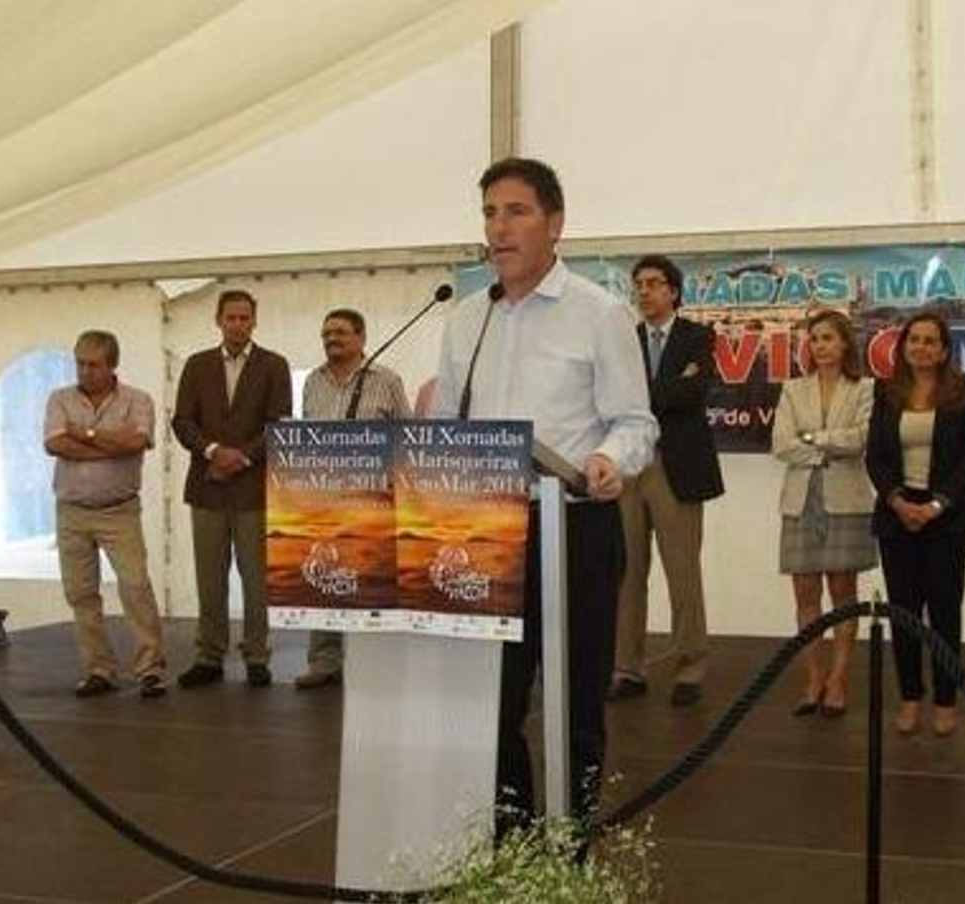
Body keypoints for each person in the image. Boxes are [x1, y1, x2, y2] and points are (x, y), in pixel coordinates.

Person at [432, 158, 656, 830]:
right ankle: (510, 846)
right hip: (484, 538)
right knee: (490, 708)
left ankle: (570, 853)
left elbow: (635, 423)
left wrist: (607, 459)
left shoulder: (600, 314)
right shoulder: (467, 319)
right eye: (489, 213)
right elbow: (446, 425)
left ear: (555, 224)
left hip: (573, 530)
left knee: (570, 706)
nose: (498, 228)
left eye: (516, 211)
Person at [865, 311, 965, 738]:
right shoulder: (885, 392)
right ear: (903, 348)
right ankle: (910, 697)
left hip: (948, 516)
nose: (920, 347)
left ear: (944, 350)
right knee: (903, 612)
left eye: (929, 341)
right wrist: (898, 501)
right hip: (897, 514)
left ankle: (946, 700)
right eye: (913, 340)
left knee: (944, 610)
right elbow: (876, 457)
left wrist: (936, 505)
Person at [610, 254, 724, 709]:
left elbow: (694, 391)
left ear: (673, 291)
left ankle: (689, 666)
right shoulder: (624, 340)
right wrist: (667, 388)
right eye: (638, 284)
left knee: (683, 572)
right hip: (628, 467)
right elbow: (616, 397)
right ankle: (627, 667)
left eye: (654, 283)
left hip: (677, 468)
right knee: (627, 575)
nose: (644, 291)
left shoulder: (697, 336)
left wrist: (646, 393)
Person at [172, 289, 292, 689]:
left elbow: (279, 423)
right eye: (231, 318)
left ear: (254, 321)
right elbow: (183, 421)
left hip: (253, 488)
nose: (238, 324)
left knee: (256, 579)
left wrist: (239, 458)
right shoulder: (196, 365)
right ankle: (209, 655)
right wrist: (212, 451)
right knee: (210, 577)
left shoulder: (274, 366)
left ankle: (257, 655)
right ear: (218, 320)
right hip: (206, 487)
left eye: (244, 318)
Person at [43, 330, 168, 698]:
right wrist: (109, 445)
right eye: (79, 363)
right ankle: (99, 669)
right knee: (81, 593)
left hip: (119, 512)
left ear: (112, 364)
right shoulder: (59, 398)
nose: (84, 371)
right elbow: (53, 443)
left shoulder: (137, 400)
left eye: (93, 364)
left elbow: (136, 441)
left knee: (135, 587)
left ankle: (151, 668)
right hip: (71, 512)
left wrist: (86, 433)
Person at [293, 308, 411, 690]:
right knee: (324, 577)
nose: (332, 339)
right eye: (326, 333)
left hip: (374, 500)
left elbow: (406, 437)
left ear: (362, 338)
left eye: (341, 332)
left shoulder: (387, 380)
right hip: (324, 500)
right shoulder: (313, 381)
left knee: (371, 582)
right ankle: (324, 662)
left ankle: (372, 662)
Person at [771, 309, 876, 718]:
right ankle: (812, 679)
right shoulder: (793, 389)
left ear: (845, 343)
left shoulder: (865, 388)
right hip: (800, 501)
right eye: (814, 339)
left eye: (828, 338)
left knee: (843, 595)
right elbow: (781, 444)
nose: (821, 345)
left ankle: (839, 680)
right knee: (805, 597)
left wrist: (811, 439)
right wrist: (828, 446)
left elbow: (861, 440)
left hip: (845, 500)